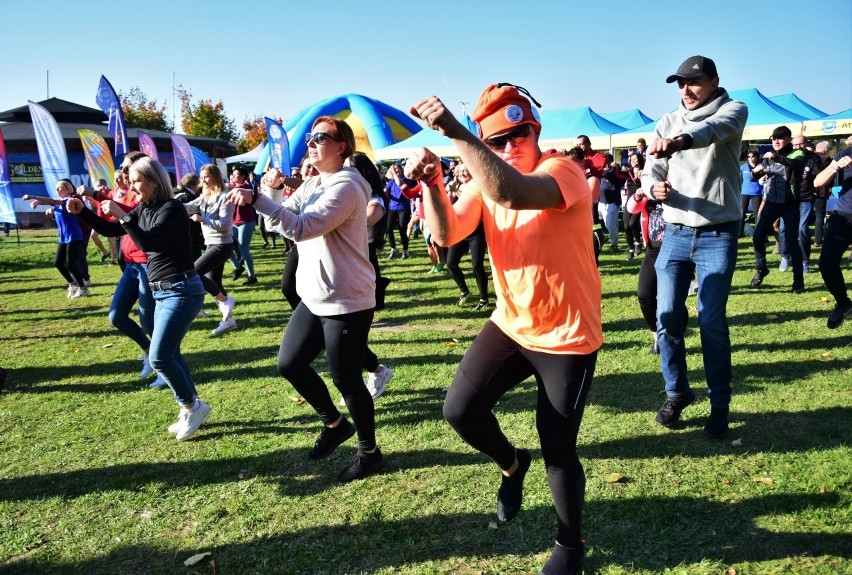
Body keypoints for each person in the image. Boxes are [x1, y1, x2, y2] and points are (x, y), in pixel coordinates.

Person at [405, 83, 602, 574]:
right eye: (496, 141)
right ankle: (513, 464)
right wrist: (432, 183)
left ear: (535, 131)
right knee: (459, 410)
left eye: (518, 134)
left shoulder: (562, 170)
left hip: (567, 336)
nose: (510, 145)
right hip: (511, 324)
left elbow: (512, 193)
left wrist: (455, 134)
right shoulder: (482, 181)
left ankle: (570, 545)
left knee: (559, 449)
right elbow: (447, 234)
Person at [227, 117, 384, 482]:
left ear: (341, 146)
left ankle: (369, 453)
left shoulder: (347, 186)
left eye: (319, 138)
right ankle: (334, 423)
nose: (311, 144)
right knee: (290, 363)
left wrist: (260, 201)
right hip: (314, 295)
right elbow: (279, 219)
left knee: (347, 380)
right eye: (310, 138)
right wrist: (272, 194)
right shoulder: (314, 181)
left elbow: (301, 227)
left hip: (347, 299)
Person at [641, 55, 747, 439]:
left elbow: (714, 130)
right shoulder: (667, 119)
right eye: (680, 84)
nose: (686, 90)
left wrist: (679, 142)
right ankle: (676, 393)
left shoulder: (735, 109)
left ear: (714, 80)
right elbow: (649, 167)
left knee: (711, 321)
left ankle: (720, 404)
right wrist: (651, 186)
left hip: (718, 234)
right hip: (675, 233)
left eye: (694, 82)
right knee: (666, 318)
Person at [68, 156, 211, 441]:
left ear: (155, 181)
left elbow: (150, 242)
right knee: (171, 354)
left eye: (137, 181)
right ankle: (190, 405)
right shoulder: (144, 207)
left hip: (181, 290)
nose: (132, 187)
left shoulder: (171, 208)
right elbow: (112, 230)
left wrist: (123, 215)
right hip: (163, 290)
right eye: (131, 181)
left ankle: (192, 406)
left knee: (159, 357)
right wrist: (83, 210)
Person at [76, 151, 164, 388]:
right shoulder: (129, 196)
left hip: (147, 265)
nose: (123, 173)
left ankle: (164, 367)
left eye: (127, 169)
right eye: (123, 169)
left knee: (149, 322)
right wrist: (81, 211)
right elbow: (111, 229)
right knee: (116, 315)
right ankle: (149, 352)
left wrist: (103, 200)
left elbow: (131, 227)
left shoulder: (147, 199)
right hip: (132, 266)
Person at [749, 125, 806, 293]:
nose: (776, 141)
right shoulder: (769, 157)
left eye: (780, 138)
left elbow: (795, 164)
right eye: (773, 138)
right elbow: (753, 177)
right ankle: (761, 268)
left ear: (788, 139)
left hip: (790, 204)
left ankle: (798, 281)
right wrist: (757, 171)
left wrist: (775, 158)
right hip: (771, 202)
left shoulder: (797, 153)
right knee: (757, 237)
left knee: (791, 242)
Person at [184, 165, 237, 335]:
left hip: (222, 244)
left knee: (193, 272)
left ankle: (226, 301)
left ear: (215, 176)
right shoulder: (204, 197)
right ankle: (228, 321)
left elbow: (225, 225)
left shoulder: (224, 196)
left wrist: (202, 219)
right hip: (211, 244)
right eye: (202, 177)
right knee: (215, 283)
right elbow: (187, 207)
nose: (203, 180)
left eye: (207, 176)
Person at [23, 180, 88, 298]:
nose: (57, 190)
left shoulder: (69, 200)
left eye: (59, 188)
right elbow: (57, 211)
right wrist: (43, 207)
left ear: (67, 189)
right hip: (64, 237)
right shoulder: (58, 204)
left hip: (74, 235)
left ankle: (83, 288)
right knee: (58, 262)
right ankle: (72, 284)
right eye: (56, 188)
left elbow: (52, 201)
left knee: (71, 264)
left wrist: (33, 197)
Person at [813, 137, 852, 328]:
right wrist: (833, 168)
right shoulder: (846, 154)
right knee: (827, 263)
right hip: (844, 217)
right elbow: (817, 182)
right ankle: (843, 304)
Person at [445, 163, 490, 309]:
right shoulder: (455, 187)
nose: (463, 173)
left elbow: (469, 200)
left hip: (477, 231)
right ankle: (465, 291)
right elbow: (447, 205)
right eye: (460, 171)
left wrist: (455, 190)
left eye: (466, 170)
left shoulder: (477, 186)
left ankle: (484, 298)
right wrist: (449, 192)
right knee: (451, 263)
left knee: (477, 266)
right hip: (461, 231)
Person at [227, 167, 259, 285]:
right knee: (224, 245)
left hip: (246, 222)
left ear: (242, 176)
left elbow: (235, 189)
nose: (233, 177)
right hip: (235, 222)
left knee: (243, 249)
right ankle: (238, 267)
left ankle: (252, 277)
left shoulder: (246, 187)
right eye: (233, 175)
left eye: (236, 175)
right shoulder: (235, 186)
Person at [384, 163, 414, 259]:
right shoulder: (391, 181)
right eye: (394, 170)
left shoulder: (406, 180)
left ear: (402, 170)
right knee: (388, 229)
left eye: (397, 169)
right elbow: (385, 190)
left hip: (403, 208)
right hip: (392, 207)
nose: (396, 171)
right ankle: (393, 248)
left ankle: (405, 250)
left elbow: (400, 184)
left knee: (402, 230)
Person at [813, 141, 834, 247]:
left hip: (806, 190)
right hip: (821, 191)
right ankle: (817, 239)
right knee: (819, 215)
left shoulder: (809, 157)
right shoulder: (827, 160)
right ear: (825, 150)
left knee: (803, 215)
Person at [739, 150, 762, 237]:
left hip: (757, 193)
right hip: (744, 192)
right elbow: (739, 179)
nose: (751, 158)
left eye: (752, 156)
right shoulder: (743, 167)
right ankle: (739, 233)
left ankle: (758, 234)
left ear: (757, 157)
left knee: (757, 214)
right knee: (741, 213)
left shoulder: (761, 167)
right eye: (749, 157)